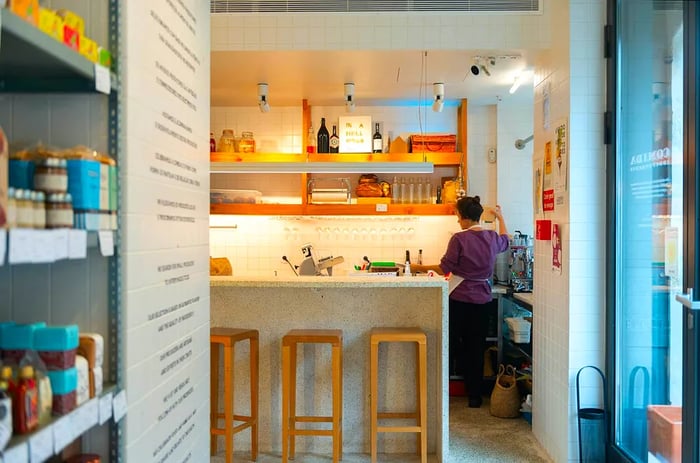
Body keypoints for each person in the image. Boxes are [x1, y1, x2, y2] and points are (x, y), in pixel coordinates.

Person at [412, 195, 509, 408]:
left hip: (459, 299)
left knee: (452, 345)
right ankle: (474, 396)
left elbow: (444, 268)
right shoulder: (492, 238)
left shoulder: (459, 239)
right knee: (476, 347)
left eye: (458, 216)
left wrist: (415, 268)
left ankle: (442, 392)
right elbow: (506, 239)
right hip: (482, 301)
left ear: (464, 217)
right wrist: (501, 217)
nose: (457, 221)